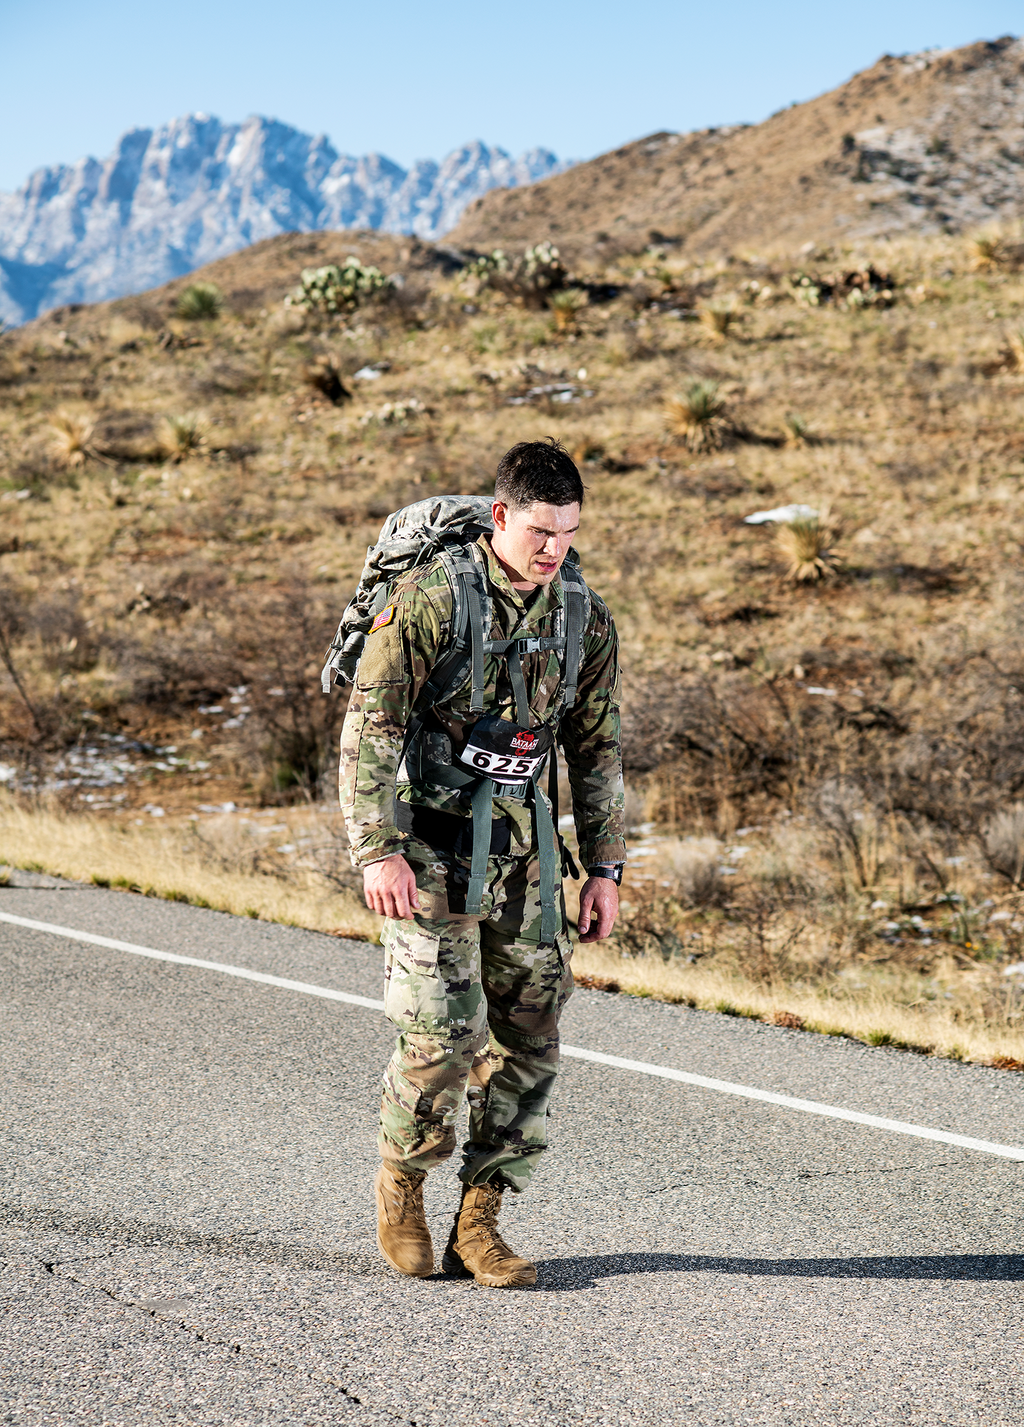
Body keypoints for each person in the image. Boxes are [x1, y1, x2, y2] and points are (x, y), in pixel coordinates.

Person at [339, 438, 626, 1288]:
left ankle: (481, 1218)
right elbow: (370, 729)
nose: (554, 549)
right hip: (428, 847)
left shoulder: (583, 617)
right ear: (500, 516)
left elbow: (598, 749)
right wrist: (377, 849)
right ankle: (403, 1184)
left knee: (531, 1036)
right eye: (540, 531)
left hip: (528, 853)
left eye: (568, 533)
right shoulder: (431, 600)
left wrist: (604, 867)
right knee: (445, 1035)